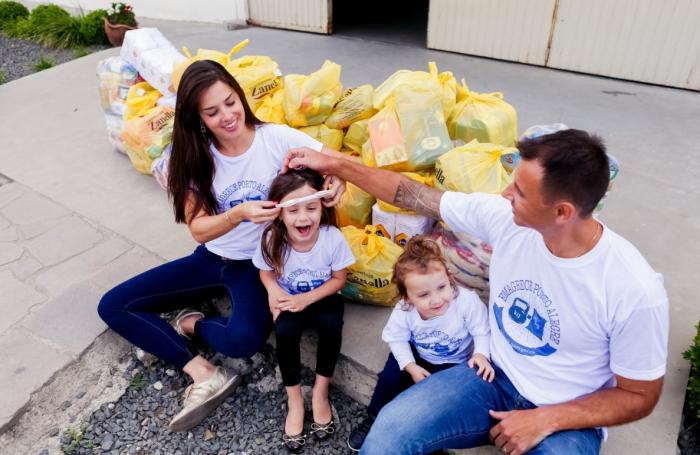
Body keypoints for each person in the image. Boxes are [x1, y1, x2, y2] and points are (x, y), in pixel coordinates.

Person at [284, 129, 669, 455]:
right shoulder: (507, 220)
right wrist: (335, 164)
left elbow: (640, 396)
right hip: (489, 376)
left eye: (519, 190)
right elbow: (409, 194)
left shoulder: (633, 289)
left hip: (568, 413)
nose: (504, 194)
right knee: (388, 436)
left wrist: (546, 418)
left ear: (563, 212)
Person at [97, 60, 347, 432]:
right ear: (197, 117)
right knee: (114, 305)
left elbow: (337, 161)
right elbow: (199, 229)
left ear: (240, 96)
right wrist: (238, 214)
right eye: (212, 112)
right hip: (213, 257)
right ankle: (202, 372)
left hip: (257, 265)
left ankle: (190, 323)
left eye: (231, 102)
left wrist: (335, 177)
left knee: (243, 340)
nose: (227, 116)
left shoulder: (276, 139)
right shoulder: (195, 159)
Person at [347, 236, 493, 452]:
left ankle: (429, 435)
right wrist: (410, 366)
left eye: (442, 287)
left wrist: (481, 354)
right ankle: (374, 417)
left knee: (441, 399)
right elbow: (396, 338)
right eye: (423, 295)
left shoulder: (467, 302)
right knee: (390, 377)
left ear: (449, 278)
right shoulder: (405, 311)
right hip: (418, 354)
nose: (436, 300)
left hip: (455, 362)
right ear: (407, 297)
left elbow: (482, 331)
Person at [252, 168, 355, 452]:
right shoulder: (272, 239)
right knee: (285, 330)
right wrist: (275, 292)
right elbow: (266, 273)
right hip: (289, 298)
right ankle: (294, 399)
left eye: (311, 207)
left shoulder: (331, 238)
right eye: (293, 210)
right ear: (280, 214)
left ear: (322, 207)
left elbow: (338, 280)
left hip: (322, 295)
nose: (303, 217)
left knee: (332, 324)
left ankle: (321, 391)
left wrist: (306, 300)